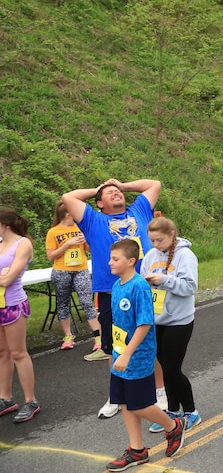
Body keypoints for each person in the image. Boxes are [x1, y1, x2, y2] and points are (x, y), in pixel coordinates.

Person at [61, 178, 160, 417]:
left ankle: (160, 391)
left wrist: (123, 186)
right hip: (111, 293)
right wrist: (98, 188)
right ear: (99, 204)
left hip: (145, 289)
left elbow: (154, 184)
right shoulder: (93, 219)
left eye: (118, 191)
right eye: (109, 193)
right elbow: (68, 198)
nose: (115, 193)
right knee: (114, 345)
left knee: (151, 344)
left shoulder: (139, 210)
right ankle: (117, 395)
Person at [104, 238, 185, 470]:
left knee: (139, 404)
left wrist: (128, 354)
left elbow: (144, 324)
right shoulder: (117, 285)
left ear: (131, 261)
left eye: (115, 259)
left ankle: (173, 426)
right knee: (124, 403)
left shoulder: (139, 286)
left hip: (137, 356)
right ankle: (137, 450)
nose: (110, 262)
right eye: (111, 258)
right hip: (121, 354)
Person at [142, 216, 200, 433]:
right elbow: (142, 282)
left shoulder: (186, 255)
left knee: (172, 368)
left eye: (160, 240)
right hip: (157, 319)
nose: (156, 245)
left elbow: (190, 287)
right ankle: (173, 411)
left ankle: (192, 411)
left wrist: (164, 280)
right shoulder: (150, 255)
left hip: (179, 320)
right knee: (164, 368)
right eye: (153, 241)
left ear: (171, 234)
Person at [44, 199, 102, 353]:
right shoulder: (53, 232)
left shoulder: (79, 227)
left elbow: (90, 249)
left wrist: (86, 240)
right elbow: (51, 256)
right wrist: (67, 245)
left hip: (81, 269)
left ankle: (98, 337)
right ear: (68, 214)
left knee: (86, 302)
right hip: (61, 270)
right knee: (63, 302)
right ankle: (68, 336)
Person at [0, 207, 40, 423]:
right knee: (1, 352)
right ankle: (5, 398)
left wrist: (4, 276)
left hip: (13, 303)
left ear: (5, 224)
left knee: (18, 353)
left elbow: (8, 279)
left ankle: (30, 400)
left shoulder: (23, 243)